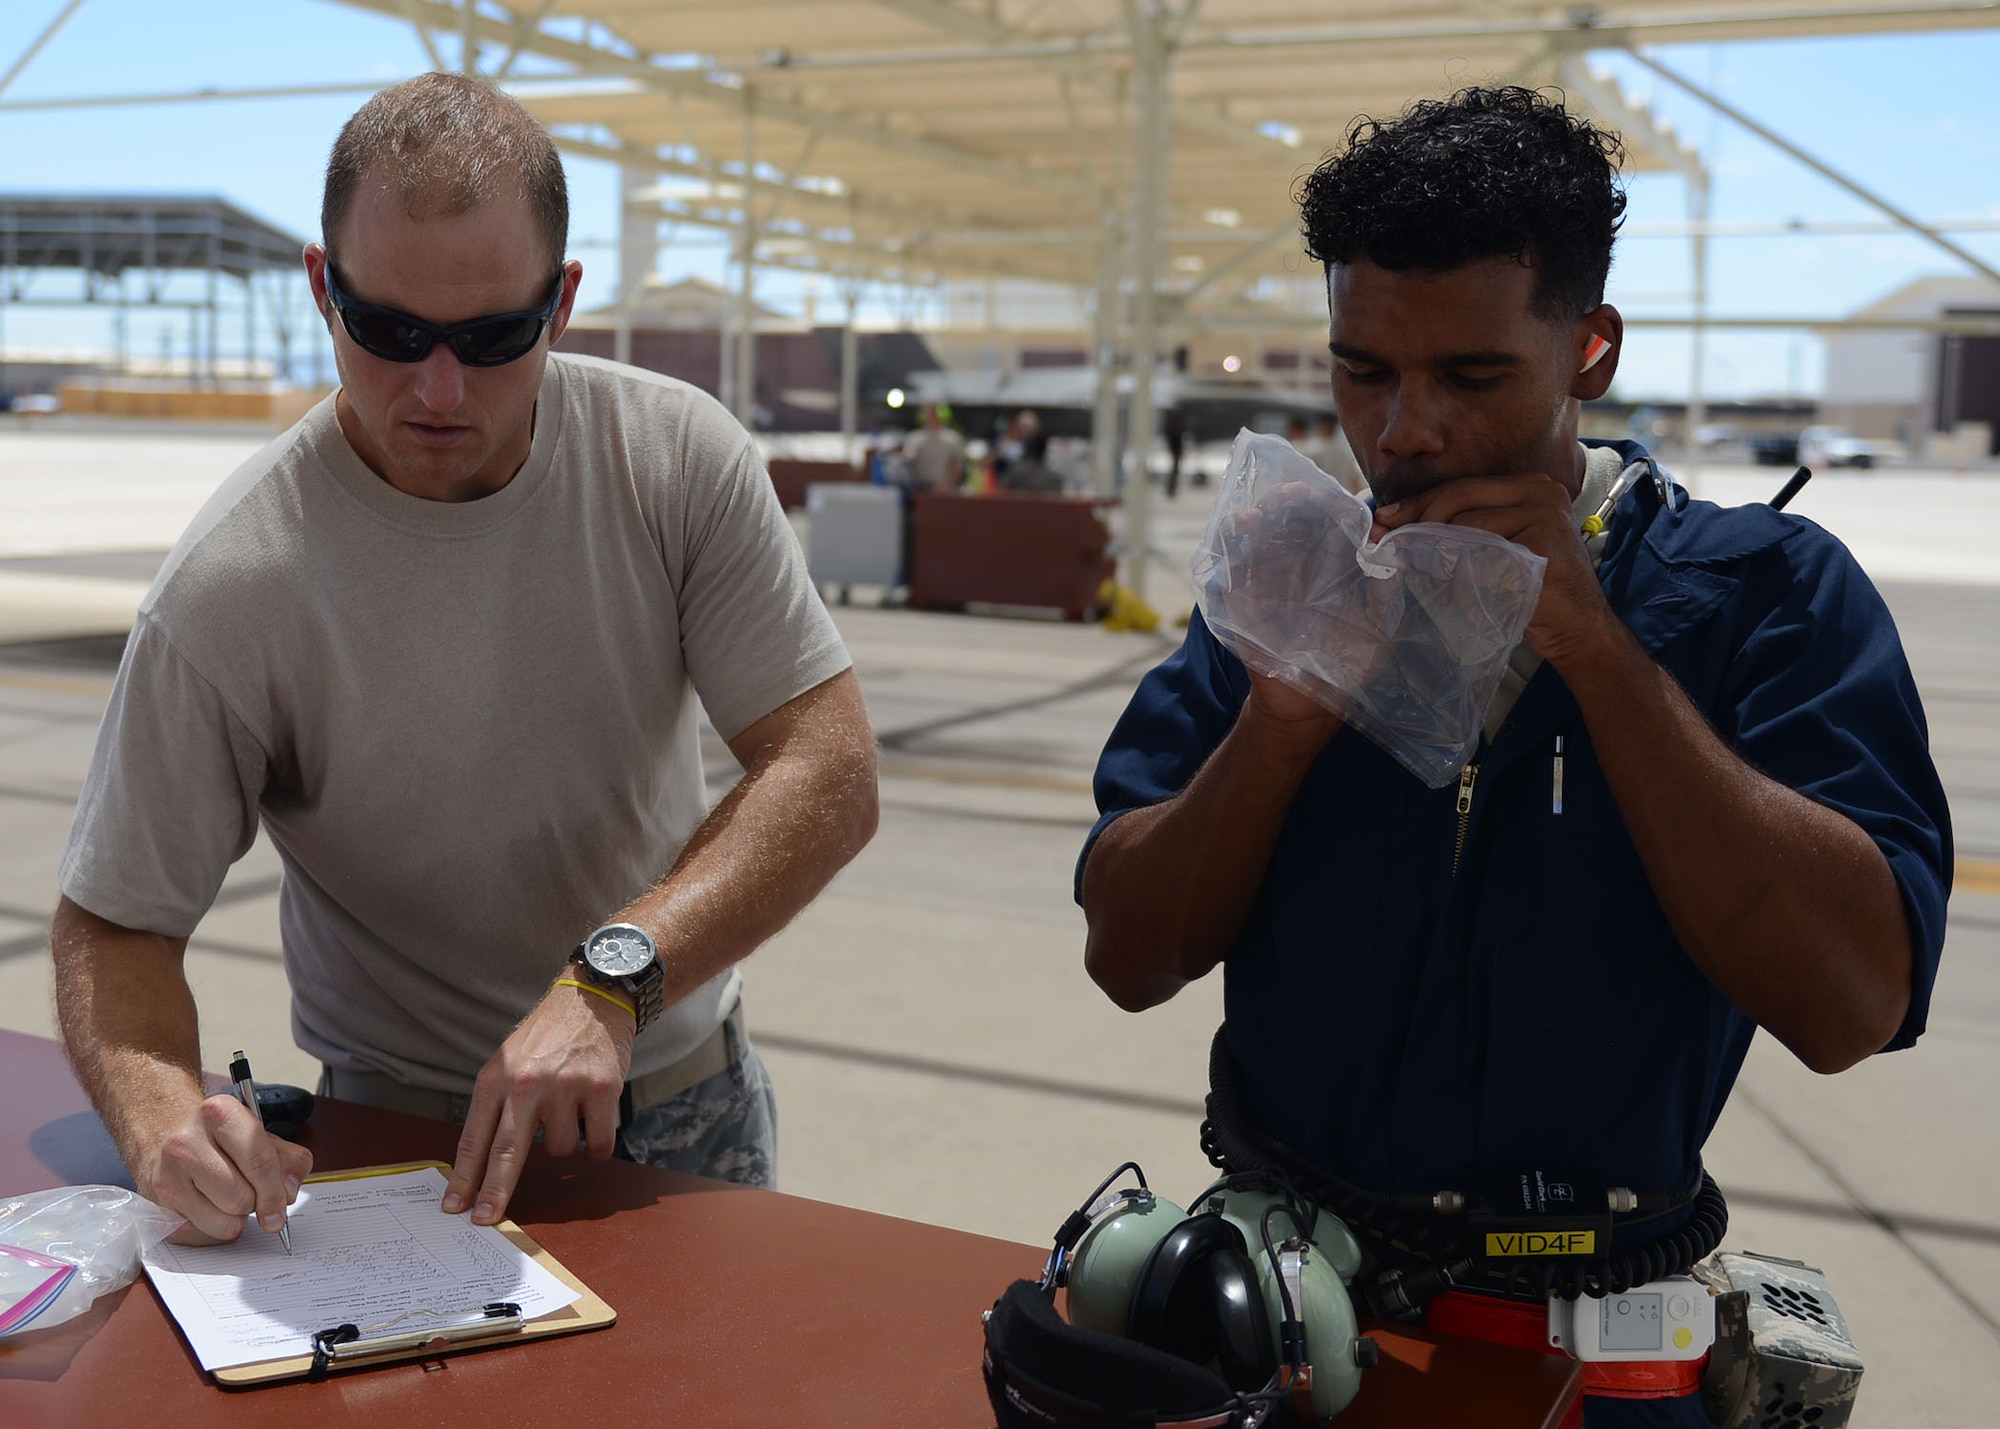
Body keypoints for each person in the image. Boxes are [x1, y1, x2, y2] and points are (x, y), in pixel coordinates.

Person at [1075, 87, 1950, 1427]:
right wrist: (1282, 720)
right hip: (1282, 1314)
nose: (1406, 429)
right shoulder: (1292, 583)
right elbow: (1129, 953)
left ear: (1589, 350)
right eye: (1362, 370)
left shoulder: (1765, 597)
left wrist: (1598, 652)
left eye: (1473, 376)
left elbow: (1853, 1006)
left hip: (1599, 1358)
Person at [50, 74, 878, 1247]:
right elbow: (117, 922)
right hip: (401, 1147)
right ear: (320, 288)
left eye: (492, 337)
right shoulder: (231, 587)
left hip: (682, 1105)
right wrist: (162, 1118)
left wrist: (612, 981)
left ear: (565, 302)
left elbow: (826, 767)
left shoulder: (675, 460)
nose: (438, 389)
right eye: (387, 332)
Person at [902, 403, 964, 491]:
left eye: (934, 412)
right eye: (927, 412)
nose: (930, 416)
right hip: (920, 487)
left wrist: (946, 483)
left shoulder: (952, 438)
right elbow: (908, 457)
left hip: (945, 488)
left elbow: (956, 464)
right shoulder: (914, 438)